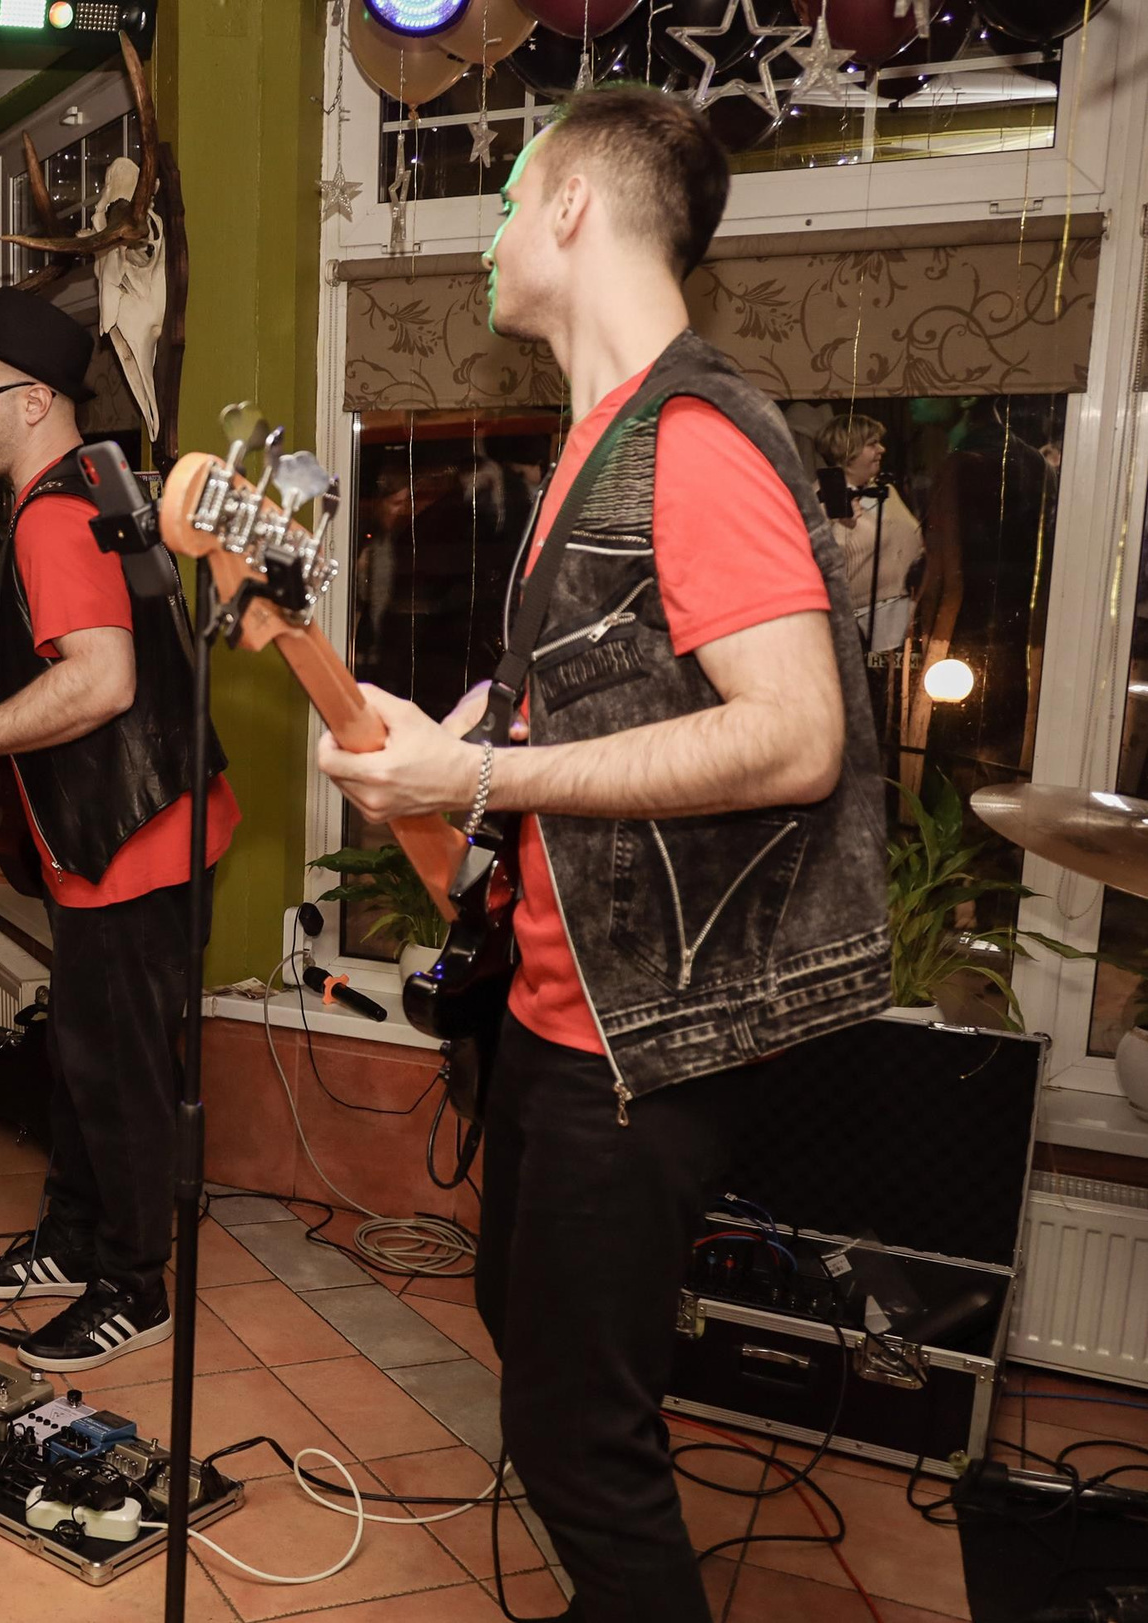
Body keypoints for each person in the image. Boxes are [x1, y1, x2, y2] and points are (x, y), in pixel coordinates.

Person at [314, 88, 889, 1623]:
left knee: (579, 1435)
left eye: (507, 199)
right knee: (531, 1324)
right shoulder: (596, 446)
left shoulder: (688, 439)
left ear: (572, 207)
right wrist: (442, 737)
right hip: (564, 1006)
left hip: (645, 1033)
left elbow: (793, 734)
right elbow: (594, 683)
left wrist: (486, 767)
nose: (492, 234)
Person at [0, 288, 240, 1374]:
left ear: (31, 403)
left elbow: (102, 682)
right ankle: (74, 1243)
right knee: (83, 1059)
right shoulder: (90, 490)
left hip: (132, 840)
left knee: (117, 1075)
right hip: (125, 832)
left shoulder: (53, 516)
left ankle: (133, 1285)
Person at [818, 413, 923, 657]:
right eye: (872, 444)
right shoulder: (821, 501)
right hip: (865, 624)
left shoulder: (884, 491)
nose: (881, 449)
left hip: (907, 612)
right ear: (849, 451)